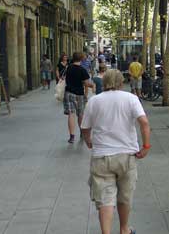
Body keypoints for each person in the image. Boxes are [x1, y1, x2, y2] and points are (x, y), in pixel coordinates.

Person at [81, 69, 150, 234]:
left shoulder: (94, 101)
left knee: (105, 199)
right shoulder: (131, 98)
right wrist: (146, 146)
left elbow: (85, 127)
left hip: (102, 157)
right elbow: (144, 123)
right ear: (121, 82)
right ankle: (124, 229)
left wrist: (88, 140)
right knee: (125, 196)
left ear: (104, 82)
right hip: (126, 156)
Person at [64, 52, 94, 143]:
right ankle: (82, 133)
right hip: (79, 94)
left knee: (71, 114)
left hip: (69, 93)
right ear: (81, 59)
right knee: (80, 114)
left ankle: (72, 136)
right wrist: (93, 85)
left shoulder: (68, 68)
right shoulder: (82, 70)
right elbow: (86, 83)